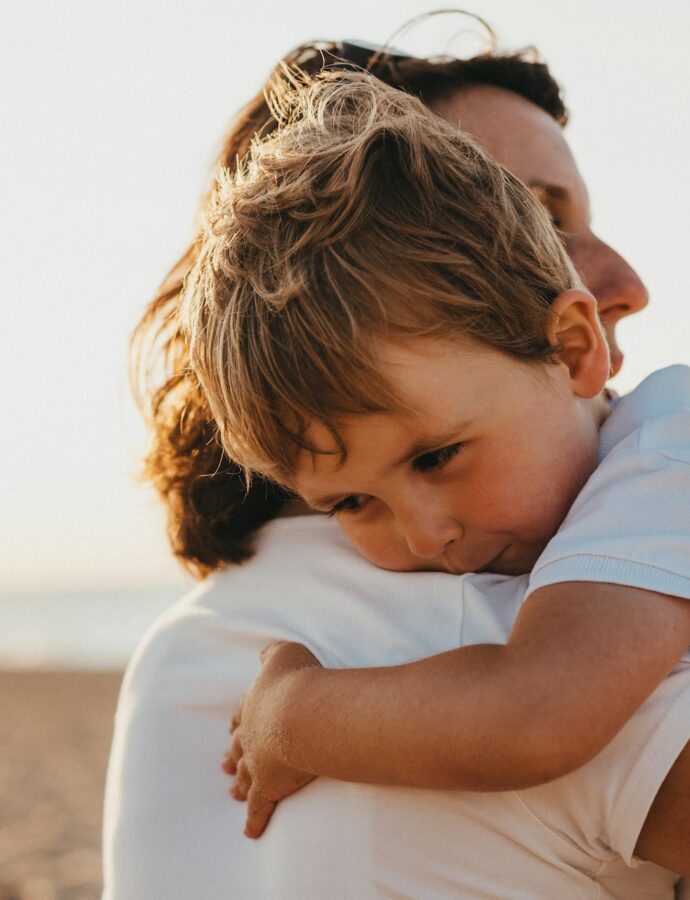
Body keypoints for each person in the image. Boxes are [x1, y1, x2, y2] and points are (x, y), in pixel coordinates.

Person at [103, 32, 687, 900]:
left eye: (439, 456)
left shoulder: (184, 652)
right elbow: (536, 709)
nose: (629, 282)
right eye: (534, 212)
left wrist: (294, 714)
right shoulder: (485, 624)